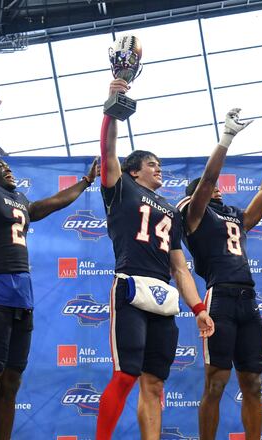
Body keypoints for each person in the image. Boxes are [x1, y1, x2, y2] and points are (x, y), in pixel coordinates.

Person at [0, 89, 99, 440]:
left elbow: (48, 205)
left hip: (23, 295)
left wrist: (84, 183)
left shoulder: (18, 200)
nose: (7, 169)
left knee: (12, 380)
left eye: (7, 166)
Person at [94, 78, 214, 440]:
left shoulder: (172, 211)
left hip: (163, 295)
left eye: (160, 164)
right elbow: (108, 146)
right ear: (133, 170)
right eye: (152, 164)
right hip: (131, 285)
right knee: (126, 373)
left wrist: (199, 308)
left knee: (155, 382)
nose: (159, 169)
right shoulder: (120, 187)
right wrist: (114, 102)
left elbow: (180, 266)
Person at [176, 108, 262, 439]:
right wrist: (227, 137)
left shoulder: (235, 217)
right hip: (220, 297)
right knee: (216, 382)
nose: (219, 190)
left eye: (221, 190)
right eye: (212, 190)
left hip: (248, 299)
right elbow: (208, 180)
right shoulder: (194, 215)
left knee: (253, 383)